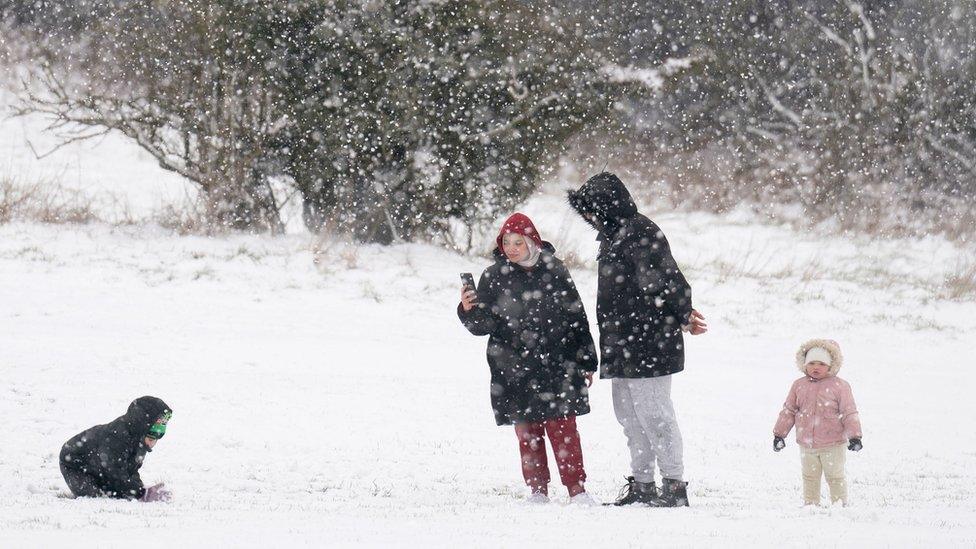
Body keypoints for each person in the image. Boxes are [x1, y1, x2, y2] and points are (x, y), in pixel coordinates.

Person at [567, 172, 707, 507]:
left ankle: (674, 486)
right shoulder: (613, 236)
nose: (588, 217)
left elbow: (667, 279)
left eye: (591, 210)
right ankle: (643, 484)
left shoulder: (642, 232)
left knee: (655, 414)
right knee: (629, 416)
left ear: (606, 206)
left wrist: (683, 312)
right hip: (622, 343)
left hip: (650, 342)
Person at [458, 212, 599, 505]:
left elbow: (576, 317)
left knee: (564, 431)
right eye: (506, 242)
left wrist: (586, 361)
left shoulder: (555, 270)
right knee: (528, 433)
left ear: (531, 241)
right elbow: (484, 327)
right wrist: (469, 310)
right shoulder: (494, 276)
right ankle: (537, 490)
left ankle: (577, 490)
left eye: (517, 242)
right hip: (514, 368)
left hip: (558, 365)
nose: (510, 248)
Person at [773, 339, 863, 506]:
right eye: (812, 363)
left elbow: (849, 412)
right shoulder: (799, 385)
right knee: (809, 476)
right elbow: (789, 410)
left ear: (831, 366)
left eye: (821, 363)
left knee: (835, 475)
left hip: (833, 443)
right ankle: (811, 505)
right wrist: (779, 434)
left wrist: (855, 436)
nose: (816, 367)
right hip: (807, 444)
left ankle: (840, 504)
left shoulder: (840, 386)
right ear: (804, 364)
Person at [60, 396, 173, 502]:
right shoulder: (116, 437)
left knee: (118, 492)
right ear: (142, 424)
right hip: (75, 464)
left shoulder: (139, 440)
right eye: (152, 435)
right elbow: (115, 472)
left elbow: (130, 470)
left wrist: (139, 487)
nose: (153, 441)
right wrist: (141, 493)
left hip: (100, 466)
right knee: (94, 497)